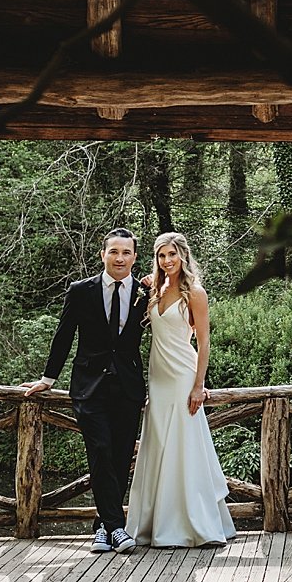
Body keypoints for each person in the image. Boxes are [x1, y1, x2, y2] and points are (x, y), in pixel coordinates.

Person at [22, 228, 147, 554]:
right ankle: (118, 527)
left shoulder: (145, 294)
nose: (120, 258)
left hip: (129, 387)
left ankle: (102, 529)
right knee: (101, 450)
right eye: (114, 251)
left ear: (135, 256)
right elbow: (63, 336)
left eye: (126, 253)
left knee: (120, 457)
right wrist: (48, 379)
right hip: (88, 387)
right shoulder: (81, 291)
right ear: (102, 254)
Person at [124, 231, 235, 548]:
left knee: (184, 445)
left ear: (183, 256)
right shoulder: (155, 291)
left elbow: (204, 342)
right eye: (161, 255)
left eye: (172, 254)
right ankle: (155, 522)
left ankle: (190, 523)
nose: (167, 260)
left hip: (183, 376)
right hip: (158, 378)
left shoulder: (194, 293)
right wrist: (143, 289)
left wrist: (199, 385)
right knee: (159, 443)